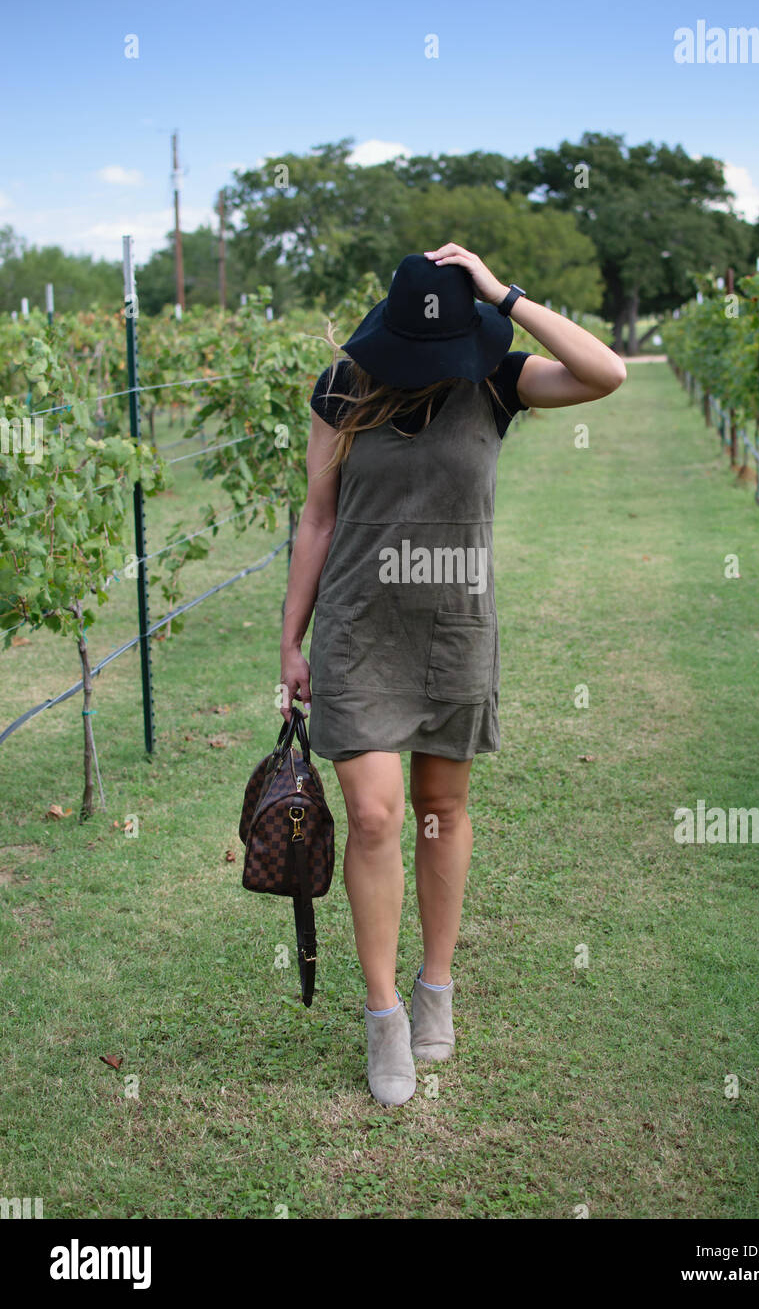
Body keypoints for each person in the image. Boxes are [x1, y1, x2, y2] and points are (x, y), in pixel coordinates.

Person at [279, 244, 626, 1106]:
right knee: (372, 815)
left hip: (455, 623)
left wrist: (505, 293)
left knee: (441, 808)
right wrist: (291, 639)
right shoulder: (343, 386)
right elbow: (317, 521)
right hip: (360, 626)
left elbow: (605, 371)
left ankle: (437, 986)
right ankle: (385, 1012)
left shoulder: (498, 380)